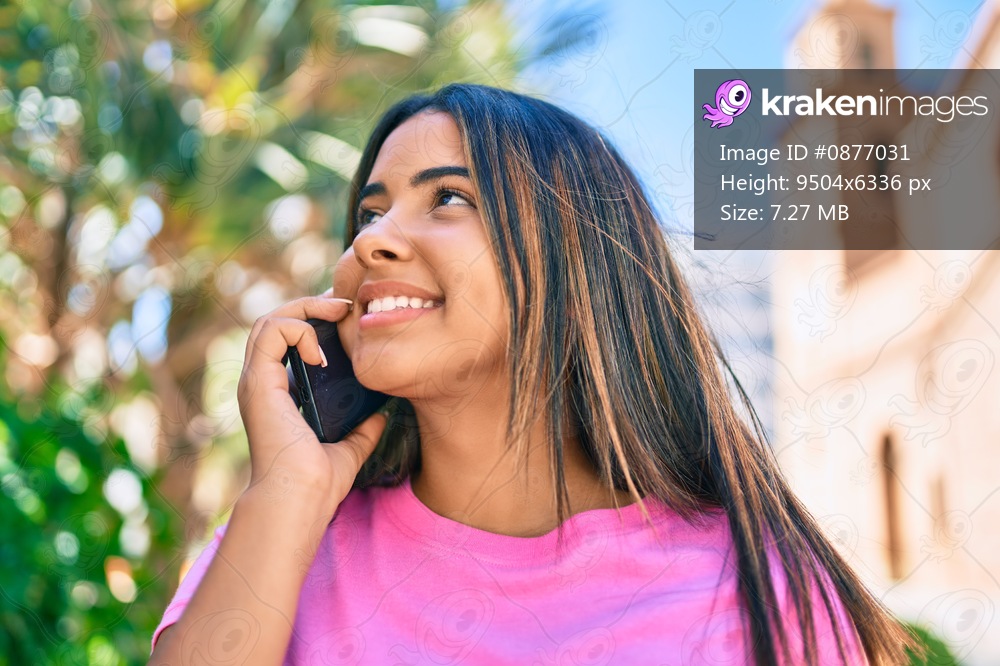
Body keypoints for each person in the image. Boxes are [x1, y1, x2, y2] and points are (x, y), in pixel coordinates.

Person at [148, 84, 918, 665]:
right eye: (369, 214)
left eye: (449, 197)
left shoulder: (760, 588)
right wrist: (285, 492)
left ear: (571, 259)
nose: (372, 242)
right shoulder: (282, 535)